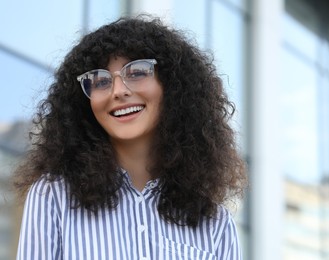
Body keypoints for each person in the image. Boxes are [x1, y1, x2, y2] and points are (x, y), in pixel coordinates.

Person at [14, 15, 247, 260]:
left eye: (136, 73)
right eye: (100, 81)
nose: (118, 91)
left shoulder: (216, 223)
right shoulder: (53, 196)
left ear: (173, 86)